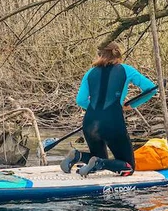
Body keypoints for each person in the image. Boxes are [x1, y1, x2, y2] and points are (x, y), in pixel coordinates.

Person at [61, 42, 157, 177]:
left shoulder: (90, 73)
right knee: (128, 167)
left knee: (98, 157)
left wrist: (98, 111)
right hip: (112, 122)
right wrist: (132, 104)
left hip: (89, 122)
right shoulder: (126, 70)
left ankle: (78, 155)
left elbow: (80, 100)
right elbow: (151, 89)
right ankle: (99, 163)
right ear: (119, 55)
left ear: (100, 55)